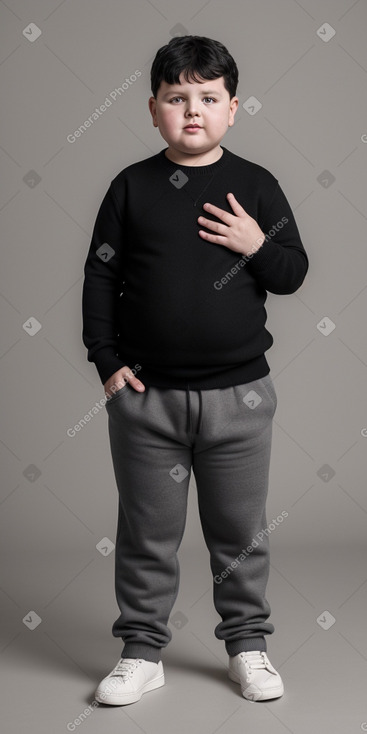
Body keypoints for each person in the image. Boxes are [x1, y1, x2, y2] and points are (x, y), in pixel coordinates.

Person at [81, 34, 308, 706]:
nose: (191, 111)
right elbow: (98, 277)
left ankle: (247, 645)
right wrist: (107, 363)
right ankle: (141, 651)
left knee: (238, 534)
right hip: (147, 400)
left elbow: (292, 273)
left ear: (232, 109)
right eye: (176, 98)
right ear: (153, 109)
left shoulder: (256, 185)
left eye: (207, 98)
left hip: (238, 398)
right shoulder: (131, 186)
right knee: (146, 532)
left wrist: (256, 244)